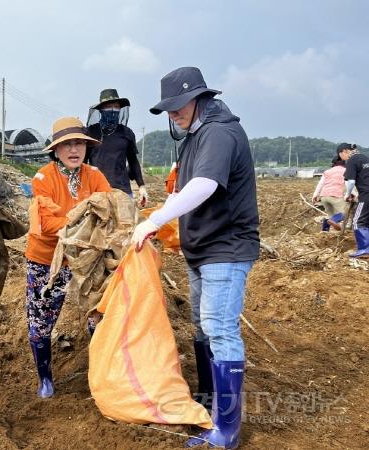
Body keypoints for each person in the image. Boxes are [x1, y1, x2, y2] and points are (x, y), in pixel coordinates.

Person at [132, 67, 259, 449]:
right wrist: (158, 220)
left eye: (178, 106)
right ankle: (207, 400)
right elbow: (182, 190)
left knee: (219, 329)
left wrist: (155, 219)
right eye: (168, 109)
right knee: (202, 326)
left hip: (226, 246)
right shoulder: (194, 136)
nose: (173, 114)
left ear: (200, 98)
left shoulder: (219, 132)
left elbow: (204, 185)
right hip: (201, 247)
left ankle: (227, 429)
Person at [25, 117, 112, 398]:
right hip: (47, 259)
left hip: (87, 259)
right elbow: (48, 224)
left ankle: (102, 373)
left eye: (79, 143)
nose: (74, 149)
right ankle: (45, 378)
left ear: (87, 146)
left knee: (98, 315)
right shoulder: (43, 178)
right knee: (41, 318)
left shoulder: (95, 176)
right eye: (67, 144)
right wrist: (84, 221)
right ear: (56, 149)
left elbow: (109, 213)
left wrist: (80, 225)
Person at [85, 89, 148, 206]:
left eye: (116, 106)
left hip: (123, 190)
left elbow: (133, 161)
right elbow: (82, 162)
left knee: (125, 223)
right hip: (96, 191)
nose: (113, 110)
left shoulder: (127, 133)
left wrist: (142, 187)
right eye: (109, 106)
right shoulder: (90, 132)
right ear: (101, 110)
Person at [341, 143, 369, 258]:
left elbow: (351, 181)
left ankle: (364, 250)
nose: (341, 159)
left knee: (358, 221)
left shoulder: (352, 160)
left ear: (344, 151)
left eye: (340, 155)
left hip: (366, 194)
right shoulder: (365, 158)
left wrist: (348, 194)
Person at [312, 153, 347, 231]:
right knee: (345, 213)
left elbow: (320, 184)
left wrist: (315, 195)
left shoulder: (327, 171)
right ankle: (334, 221)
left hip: (324, 196)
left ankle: (325, 231)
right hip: (337, 195)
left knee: (330, 215)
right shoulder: (346, 171)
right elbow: (350, 183)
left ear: (333, 163)